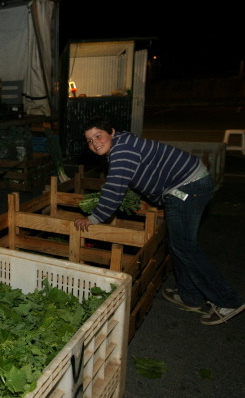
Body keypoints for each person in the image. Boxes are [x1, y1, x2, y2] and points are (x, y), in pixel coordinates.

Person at [73, 117, 245, 325]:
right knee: (178, 244)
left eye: (98, 136)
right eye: (90, 140)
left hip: (187, 188)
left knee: (185, 246)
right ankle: (190, 297)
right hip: (186, 185)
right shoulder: (123, 143)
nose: (95, 143)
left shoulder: (122, 151)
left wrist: (93, 217)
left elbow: (114, 190)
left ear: (111, 132)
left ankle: (228, 300)